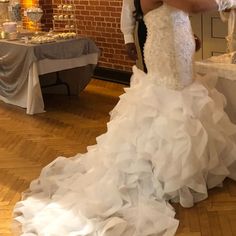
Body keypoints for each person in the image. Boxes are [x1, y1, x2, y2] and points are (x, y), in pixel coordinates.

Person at [14, 0, 236, 235]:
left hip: (176, 45)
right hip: (167, 51)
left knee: (181, 102)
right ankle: (167, 176)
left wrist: (186, 34)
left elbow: (179, 13)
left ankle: (187, 171)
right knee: (170, 104)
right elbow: (192, 5)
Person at [121, 0, 148, 71]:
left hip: (178, 31)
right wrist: (128, 37)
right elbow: (128, 5)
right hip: (147, 29)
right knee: (150, 69)